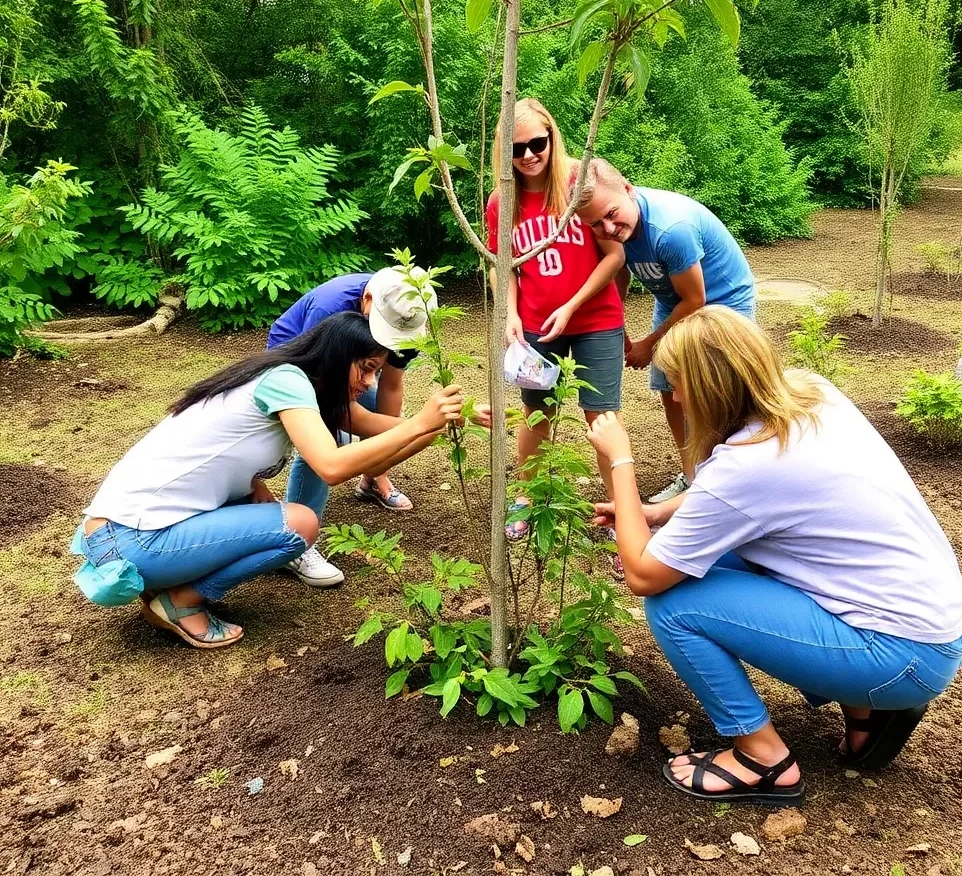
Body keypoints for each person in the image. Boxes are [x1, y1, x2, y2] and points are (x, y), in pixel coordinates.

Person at [586, 306, 962, 805]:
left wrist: (620, 460)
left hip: (900, 654)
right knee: (715, 562)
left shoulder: (748, 464)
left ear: (709, 388)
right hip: (932, 628)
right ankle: (867, 714)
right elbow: (736, 500)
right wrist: (656, 514)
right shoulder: (810, 394)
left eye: (678, 384)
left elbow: (642, 574)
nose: (674, 397)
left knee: (673, 604)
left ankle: (762, 758)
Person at [73, 313, 474, 649]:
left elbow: (379, 430)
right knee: (301, 524)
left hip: (117, 532)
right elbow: (331, 467)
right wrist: (422, 423)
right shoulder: (288, 381)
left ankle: (168, 583)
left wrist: (452, 422)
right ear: (336, 356)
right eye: (366, 368)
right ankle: (181, 599)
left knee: (273, 511)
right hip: (132, 541)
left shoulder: (286, 382)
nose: (370, 383)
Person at [487, 99, 626, 562]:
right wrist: (509, 313)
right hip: (535, 327)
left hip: (596, 320)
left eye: (537, 144)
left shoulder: (577, 183)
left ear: (552, 136)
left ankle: (621, 509)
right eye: (516, 147)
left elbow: (614, 255)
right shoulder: (500, 203)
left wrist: (571, 305)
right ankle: (524, 497)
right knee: (537, 412)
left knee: (600, 416)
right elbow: (501, 266)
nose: (528, 155)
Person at [574, 158, 756, 505]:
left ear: (628, 189)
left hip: (723, 301)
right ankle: (693, 477)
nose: (608, 228)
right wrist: (619, 323)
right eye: (596, 224)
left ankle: (732, 480)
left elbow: (696, 299)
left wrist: (647, 345)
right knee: (669, 386)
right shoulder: (613, 229)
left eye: (612, 214)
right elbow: (620, 271)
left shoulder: (671, 229)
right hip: (672, 299)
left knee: (720, 390)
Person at [267, 267, 437, 586]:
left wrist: (379, 464)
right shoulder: (329, 309)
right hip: (298, 362)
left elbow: (390, 387)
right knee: (326, 435)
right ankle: (297, 542)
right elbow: (335, 402)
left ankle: (372, 482)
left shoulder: (408, 316)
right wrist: (414, 429)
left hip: (353, 365)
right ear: (367, 299)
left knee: (372, 409)